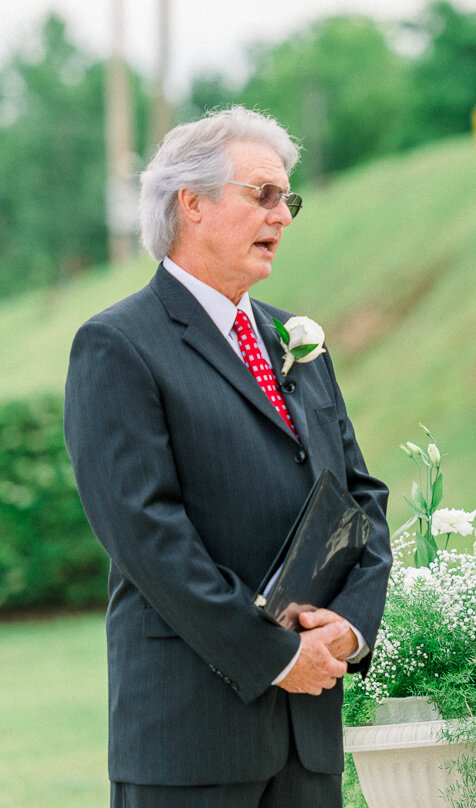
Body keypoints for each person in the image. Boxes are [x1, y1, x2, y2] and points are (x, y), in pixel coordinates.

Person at [64, 106, 392, 808]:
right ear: (193, 204)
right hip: (191, 741)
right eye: (262, 195)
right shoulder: (118, 346)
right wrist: (277, 656)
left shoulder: (294, 336)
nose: (283, 214)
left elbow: (360, 495)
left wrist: (352, 627)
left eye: (287, 198)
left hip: (308, 742)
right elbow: (149, 536)